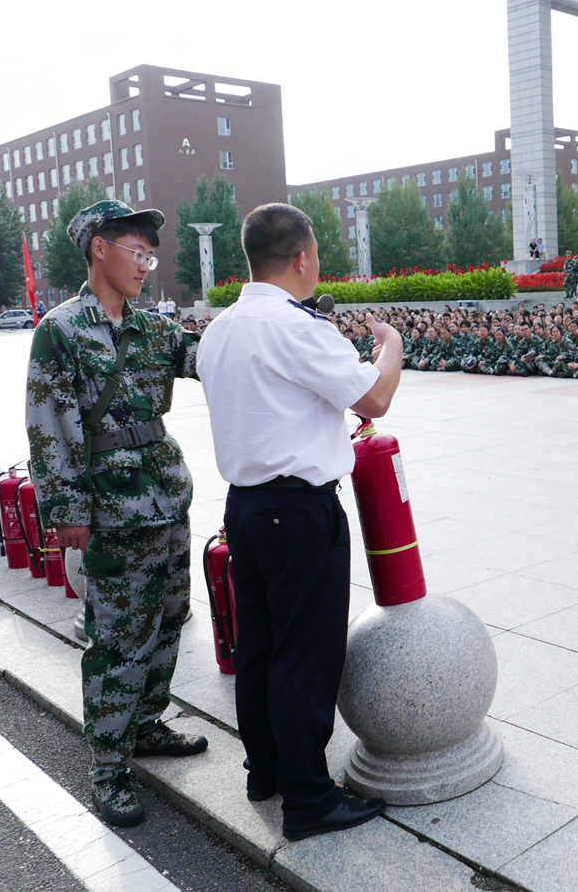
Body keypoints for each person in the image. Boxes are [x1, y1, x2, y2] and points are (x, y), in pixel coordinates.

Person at [197, 202, 398, 842]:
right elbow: (376, 397)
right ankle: (309, 800)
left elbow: (274, 408)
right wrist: (390, 347)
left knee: (260, 646)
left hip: (246, 508)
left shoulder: (219, 330)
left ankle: (268, 771)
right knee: (305, 655)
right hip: (298, 512)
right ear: (302, 257)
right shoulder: (296, 327)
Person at [24, 199, 206, 828]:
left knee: (170, 618)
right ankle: (107, 766)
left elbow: (207, 360)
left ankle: (148, 725)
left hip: (164, 497)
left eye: (150, 255)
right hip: (108, 509)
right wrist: (66, 509)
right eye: (137, 252)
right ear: (99, 248)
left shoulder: (155, 328)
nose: (146, 266)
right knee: (117, 639)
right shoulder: (61, 330)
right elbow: (49, 425)